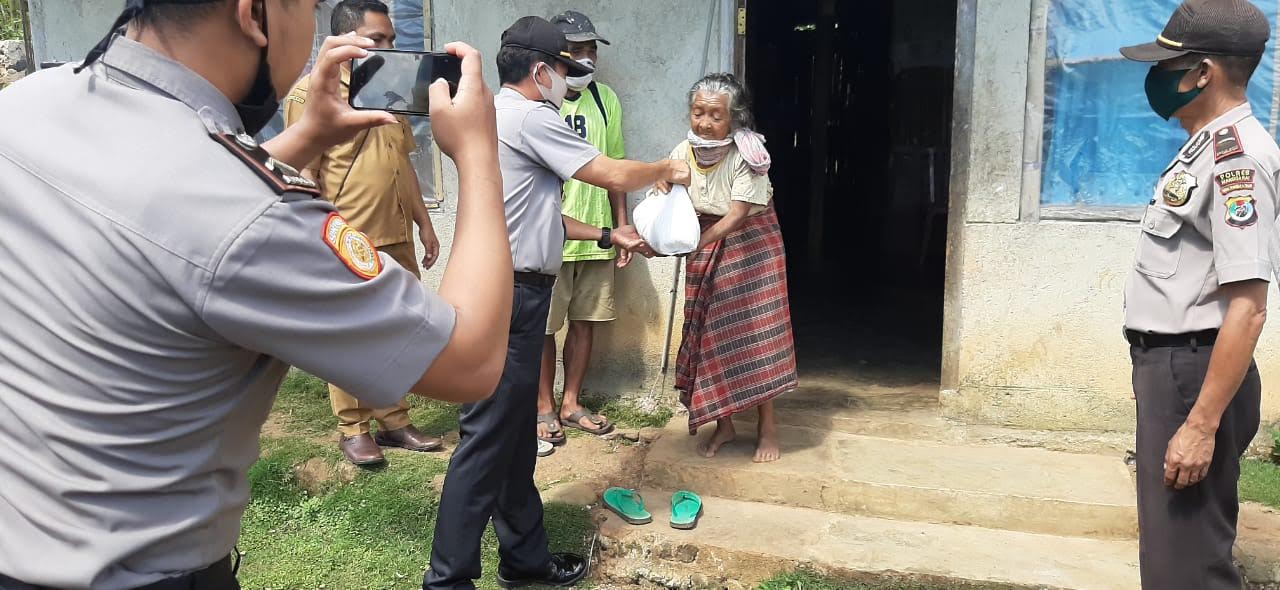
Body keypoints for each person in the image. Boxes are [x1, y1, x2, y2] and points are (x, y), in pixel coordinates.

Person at [0, 0, 512, 587]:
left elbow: (179, 209)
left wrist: (308, 136)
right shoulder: (253, 216)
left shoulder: (25, 105)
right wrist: (479, 155)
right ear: (252, 14)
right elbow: (470, 363)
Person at [424, 16, 688, 590]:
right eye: (564, 69)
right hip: (510, 294)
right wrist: (668, 168)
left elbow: (535, 215)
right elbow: (609, 171)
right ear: (541, 70)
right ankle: (447, 580)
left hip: (505, 286)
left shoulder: (493, 114)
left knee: (514, 435)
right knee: (487, 437)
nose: (568, 80)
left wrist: (607, 235)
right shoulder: (531, 115)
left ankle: (524, 559)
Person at [1118, 1, 1275, 587]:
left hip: (1194, 374)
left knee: (1185, 569)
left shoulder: (1239, 160)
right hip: (1176, 369)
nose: (1156, 77)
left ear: (1202, 72)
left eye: (1168, 65)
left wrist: (1200, 425)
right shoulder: (1204, 148)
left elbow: (1248, 308)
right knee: (1172, 557)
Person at [283, 0, 444, 466]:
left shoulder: (393, 87)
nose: (388, 47)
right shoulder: (314, 93)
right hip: (347, 238)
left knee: (398, 328)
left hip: (396, 233)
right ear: (345, 41)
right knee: (349, 334)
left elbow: (403, 161)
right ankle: (354, 428)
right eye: (377, 39)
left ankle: (394, 419)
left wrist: (425, 223)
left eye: (392, 38)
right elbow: (304, 171)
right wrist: (318, 236)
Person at [661, 73, 797, 464]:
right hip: (705, 241)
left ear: (733, 118)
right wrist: (661, 186)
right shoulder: (684, 150)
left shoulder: (748, 154)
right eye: (698, 112)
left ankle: (767, 426)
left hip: (752, 243)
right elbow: (668, 184)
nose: (704, 122)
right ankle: (724, 423)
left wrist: (695, 243)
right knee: (709, 332)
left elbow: (737, 216)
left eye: (715, 115)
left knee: (758, 333)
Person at [536, 10, 627, 445]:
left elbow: (616, 170)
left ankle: (571, 403)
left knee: (585, 322)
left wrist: (622, 226)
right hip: (550, 237)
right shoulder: (539, 105)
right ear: (557, 56)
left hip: (599, 235)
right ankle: (544, 407)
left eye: (591, 49)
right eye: (576, 50)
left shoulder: (605, 100)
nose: (586, 57)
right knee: (544, 328)